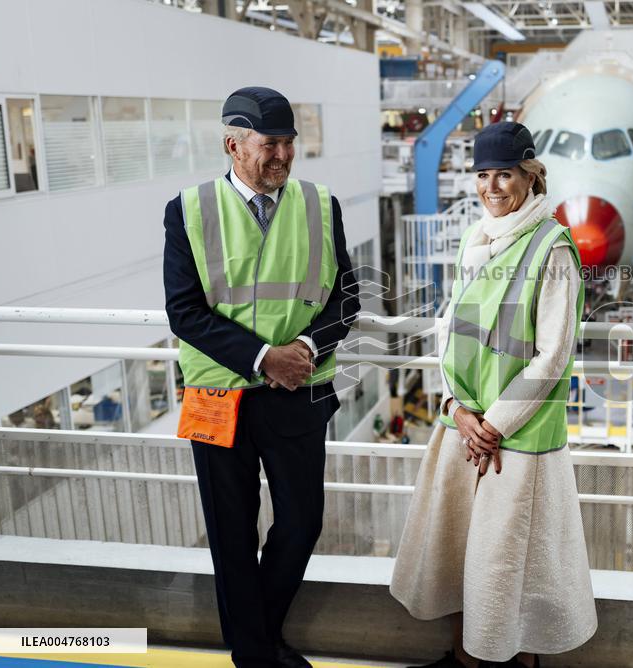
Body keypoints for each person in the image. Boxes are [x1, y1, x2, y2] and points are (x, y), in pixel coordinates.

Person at [163, 86, 359, 668]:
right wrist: (261, 357)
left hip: (297, 391)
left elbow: (345, 297)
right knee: (230, 534)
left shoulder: (321, 204)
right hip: (216, 395)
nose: (283, 156)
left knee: (302, 523)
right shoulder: (188, 209)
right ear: (233, 144)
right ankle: (255, 656)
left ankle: (259, 638)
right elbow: (185, 311)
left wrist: (301, 347)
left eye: (289, 144)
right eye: (269, 144)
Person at [390, 122, 597, 668]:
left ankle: (513, 664)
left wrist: (492, 426)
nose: (492, 186)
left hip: (514, 438)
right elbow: (448, 330)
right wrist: (456, 409)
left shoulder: (553, 248)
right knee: (463, 554)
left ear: (530, 176)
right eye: (483, 174)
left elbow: (552, 356)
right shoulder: (476, 238)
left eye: (504, 174)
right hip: (464, 428)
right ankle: (465, 660)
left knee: (507, 565)